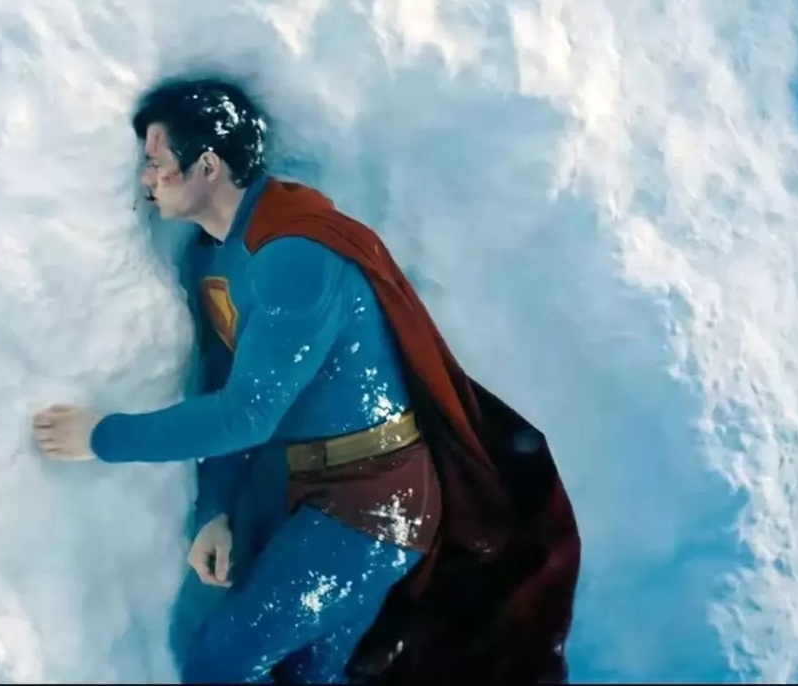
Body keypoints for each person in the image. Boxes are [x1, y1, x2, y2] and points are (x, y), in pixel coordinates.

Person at [32, 77, 582, 684]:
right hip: (307, 492)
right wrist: (215, 509)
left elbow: (247, 414)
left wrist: (100, 437)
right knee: (304, 673)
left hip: (379, 504)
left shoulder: (295, 254)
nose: (145, 179)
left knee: (222, 661)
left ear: (207, 166)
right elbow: (224, 386)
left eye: (156, 163)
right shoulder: (215, 256)